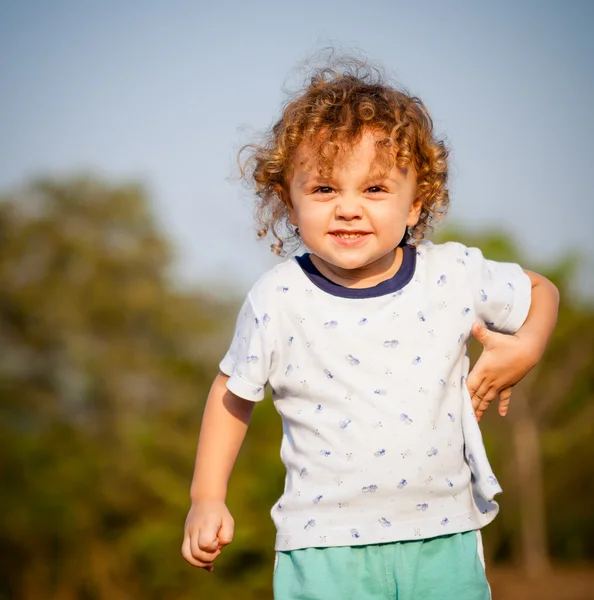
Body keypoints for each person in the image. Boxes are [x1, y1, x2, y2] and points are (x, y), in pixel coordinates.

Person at [181, 59, 559, 599]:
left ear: (416, 202)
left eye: (376, 189)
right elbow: (232, 393)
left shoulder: (452, 274)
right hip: (322, 546)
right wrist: (206, 497)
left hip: (442, 535)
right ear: (289, 201)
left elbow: (542, 291)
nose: (349, 209)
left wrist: (527, 346)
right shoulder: (278, 298)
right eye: (325, 189)